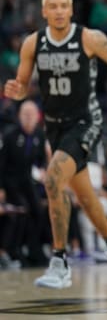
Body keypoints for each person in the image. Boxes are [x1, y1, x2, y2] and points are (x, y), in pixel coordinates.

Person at [3, 0, 107, 289]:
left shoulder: (89, 38)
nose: (60, 10)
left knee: (52, 180)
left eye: (65, 5)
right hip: (54, 126)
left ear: (72, 10)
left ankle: (60, 261)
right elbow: (24, 86)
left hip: (86, 122)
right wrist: (17, 90)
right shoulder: (33, 44)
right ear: (44, 11)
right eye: (54, 6)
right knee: (86, 197)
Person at [0, 100, 50, 266]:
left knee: (38, 210)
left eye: (31, 114)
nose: (28, 118)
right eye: (25, 114)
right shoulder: (10, 135)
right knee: (22, 208)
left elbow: (41, 160)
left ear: (37, 117)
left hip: (28, 180)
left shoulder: (39, 135)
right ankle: (15, 250)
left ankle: (34, 248)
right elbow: (1, 163)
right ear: (19, 116)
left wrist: (42, 169)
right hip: (10, 180)